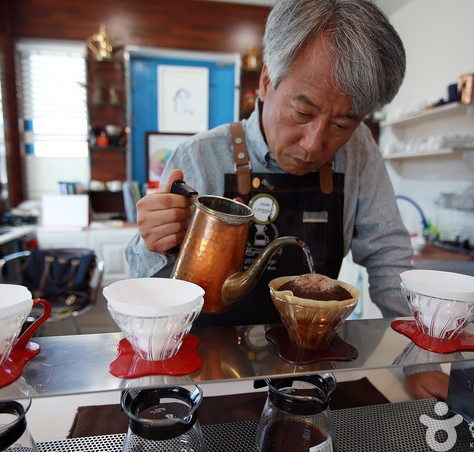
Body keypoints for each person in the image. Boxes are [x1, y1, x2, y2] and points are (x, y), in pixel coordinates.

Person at [125, 0, 445, 401]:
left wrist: (421, 361)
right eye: (302, 111)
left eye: (342, 124)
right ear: (265, 82)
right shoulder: (199, 157)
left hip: (311, 370)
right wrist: (154, 242)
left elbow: (388, 256)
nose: (314, 144)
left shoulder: (359, 150)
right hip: (207, 373)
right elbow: (149, 298)